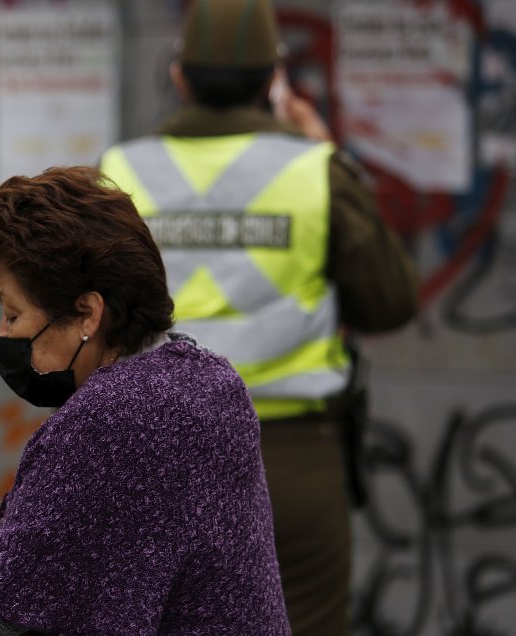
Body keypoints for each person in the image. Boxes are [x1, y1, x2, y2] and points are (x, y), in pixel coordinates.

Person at [0, 166, 290, 635]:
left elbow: (6, 611)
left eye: (13, 314)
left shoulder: (108, 419)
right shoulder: (210, 382)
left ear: (87, 313)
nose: (2, 333)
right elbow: (91, 564)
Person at [98, 0, 419, 634]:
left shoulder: (120, 173)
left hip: (153, 459)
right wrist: (330, 155)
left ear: (181, 75)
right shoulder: (315, 170)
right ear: (274, 79)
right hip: (292, 461)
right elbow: (390, 300)